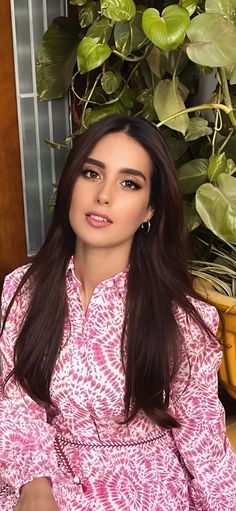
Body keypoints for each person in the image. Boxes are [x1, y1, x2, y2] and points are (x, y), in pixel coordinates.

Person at [0, 114, 235, 511]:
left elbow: (204, 446)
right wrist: (34, 486)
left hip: (146, 494)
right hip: (43, 482)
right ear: (72, 183)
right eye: (92, 174)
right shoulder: (23, 290)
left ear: (150, 210)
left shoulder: (181, 319)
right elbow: (15, 400)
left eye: (129, 183)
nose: (104, 195)